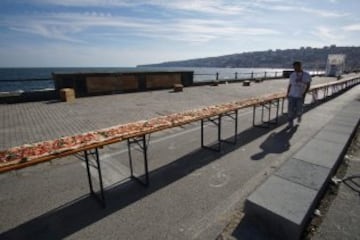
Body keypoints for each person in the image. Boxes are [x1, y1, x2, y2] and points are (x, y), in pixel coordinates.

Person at [286, 61, 311, 129]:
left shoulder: (306, 75)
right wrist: (287, 93)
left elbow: (308, 85)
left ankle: (299, 116)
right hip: (292, 95)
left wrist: (305, 93)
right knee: (290, 110)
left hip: (300, 96)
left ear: (300, 66)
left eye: (296, 67)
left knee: (299, 110)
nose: (295, 68)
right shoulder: (292, 75)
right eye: (294, 67)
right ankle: (290, 123)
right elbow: (290, 85)